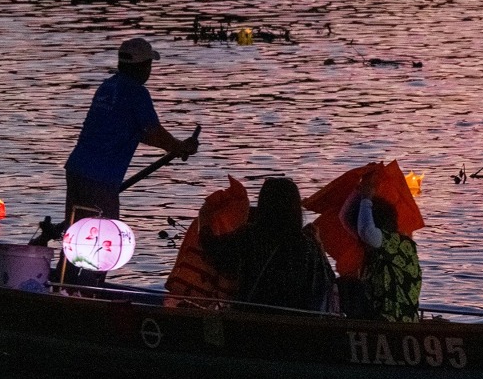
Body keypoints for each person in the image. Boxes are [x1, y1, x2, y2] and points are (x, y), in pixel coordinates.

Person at [64, 37, 199, 225]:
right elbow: (154, 132)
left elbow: (132, 130)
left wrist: (175, 147)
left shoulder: (107, 86)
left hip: (76, 170)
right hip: (100, 177)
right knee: (103, 234)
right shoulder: (137, 93)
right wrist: (180, 146)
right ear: (143, 66)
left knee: (76, 229)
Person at [200, 177, 336, 312]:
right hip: (297, 325)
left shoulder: (249, 237)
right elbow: (328, 280)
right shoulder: (308, 244)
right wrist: (319, 244)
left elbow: (213, 250)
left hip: (250, 320)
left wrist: (204, 218)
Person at [353, 172, 422, 322]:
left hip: (398, 324)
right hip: (377, 321)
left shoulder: (400, 245)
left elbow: (366, 231)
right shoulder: (375, 255)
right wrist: (360, 189)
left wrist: (366, 199)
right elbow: (346, 218)